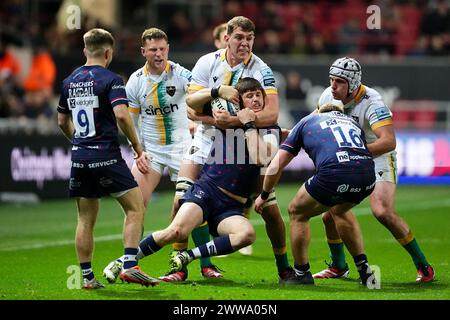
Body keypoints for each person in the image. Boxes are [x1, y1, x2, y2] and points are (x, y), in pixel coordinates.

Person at [167, 16, 294, 283]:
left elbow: (271, 114)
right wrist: (217, 93)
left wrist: (231, 121)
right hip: (207, 136)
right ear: (227, 37)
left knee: (268, 206)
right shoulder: (207, 62)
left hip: (243, 138)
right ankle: (185, 266)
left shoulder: (262, 70)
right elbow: (191, 105)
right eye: (239, 38)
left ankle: (284, 267)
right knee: (181, 198)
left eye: (249, 39)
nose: (245, 43)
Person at [101, 28, 222, 283]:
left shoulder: (181, 74)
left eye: (162, 49)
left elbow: (198, 98)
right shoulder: (135, 81)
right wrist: (138, 152)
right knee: (135, 205)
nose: (158, 54)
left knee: (188, 206)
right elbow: (130, 121)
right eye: (153, 49)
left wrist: (204, 118)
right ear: (143, 51)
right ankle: (130, 262)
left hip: (183, 150)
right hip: (151, 152)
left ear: (168, 49)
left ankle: (203, 265)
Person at [136, 77, 281, 278]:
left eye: (259, 95)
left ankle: (189, 256)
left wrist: (248, 123)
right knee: (175, 231)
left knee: (247, 235)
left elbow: (259, 158)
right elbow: (191, 105)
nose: (256, 100)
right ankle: (125, 262)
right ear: (239, 101)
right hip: (208, 191)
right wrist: (217, 91)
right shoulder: (226, 118)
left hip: (231, 207)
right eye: (250, 96)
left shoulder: (271, 129)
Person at [313, 57, 435, 283]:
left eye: (339, 81)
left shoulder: (373, 103)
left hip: (378, 158)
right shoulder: (327, 96)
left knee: (382, 212)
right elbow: (314, 122)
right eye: (331, 80)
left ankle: (424, 267)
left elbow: (388, 141)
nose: (333, 86)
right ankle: (339, 266)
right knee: (329, 214)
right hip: (352, 159)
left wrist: (356, 151)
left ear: (353, 83)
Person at [56, 28, 157, 289]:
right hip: (107, 156)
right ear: (109, 52)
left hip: (80, 158)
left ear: (85, 51)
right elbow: (122, 115)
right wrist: (137, 146)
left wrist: (78, 143)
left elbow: (61, 120)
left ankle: (87, 278)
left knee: (85, 219)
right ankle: (130, 266)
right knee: (135, 208)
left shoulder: (69, 81)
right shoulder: (112, 79)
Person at [255, 103, 377, 286]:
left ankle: (301, 273)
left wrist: (264, 195)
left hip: (335, 173)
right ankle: (365, 271)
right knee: (340, 210)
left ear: (319, 111)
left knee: (297, 211)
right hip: (368, 177)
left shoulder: (308, 121)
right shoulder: (352, 123)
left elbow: (275, 165)